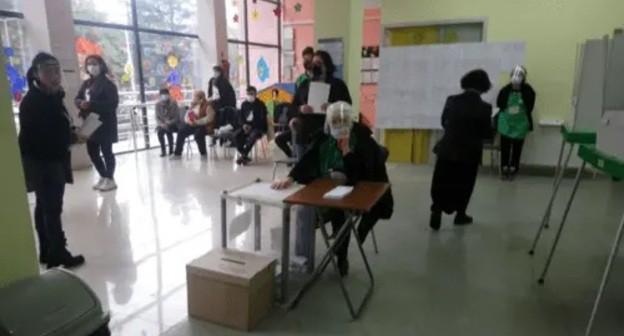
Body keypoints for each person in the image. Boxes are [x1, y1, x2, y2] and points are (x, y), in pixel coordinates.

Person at [272, 102, 393, 277]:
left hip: (352, 191)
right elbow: (309, 159)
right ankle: (301, 258)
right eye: (334, 124)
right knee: (303, 213)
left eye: (343, 124)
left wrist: (347, 155)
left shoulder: (362, 140)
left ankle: (341, 257)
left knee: (341, 215)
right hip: (324, 190)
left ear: (350, 123)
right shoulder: (323, 137)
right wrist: (291, 177)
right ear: (328, 123)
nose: (339, 129)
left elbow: (366, 177)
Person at [19, 52, 85, 269]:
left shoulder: (52, 96)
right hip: (43, 161)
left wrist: (71, 133)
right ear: (37, 74)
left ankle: (47, 250)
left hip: (49, 159)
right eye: (48, 71)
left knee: (44, 206)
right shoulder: (34, 101)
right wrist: (73, 138)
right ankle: (58, 251)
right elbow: (44, 135)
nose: (55, 75)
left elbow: (59, 125)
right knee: (51, 207)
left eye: (57, 70)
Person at [430, 69, 493, 231]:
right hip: (470, 152)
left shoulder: (451, 100)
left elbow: (444, 122)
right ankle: (460, 214)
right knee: (465, 183)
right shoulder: (485, 107)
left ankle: (436, 210)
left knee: (441, 180)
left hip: (448, 147)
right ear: (484, 86)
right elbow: (487, 134)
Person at [291, 50, 352, 157]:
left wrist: (332, 107)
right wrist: (300, 109)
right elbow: (293, 106)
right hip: (306, 123)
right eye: (313, 64)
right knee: (301, 128)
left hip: (330, 123)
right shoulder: (304, 85)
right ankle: (301, 165)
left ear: (327, 65)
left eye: (319, 63)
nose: (315, 66)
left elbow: (347, 105)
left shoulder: (338, 84)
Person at [75, 55, 120, 192]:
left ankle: (110, 178)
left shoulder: (108, 83)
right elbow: (78, 97)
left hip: (105, 123)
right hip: (90, 122)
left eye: (94, 63)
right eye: (89, 64)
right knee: (92, 151)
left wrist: (91, 105)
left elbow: (112, 104)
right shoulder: (86, 83)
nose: (91, 66)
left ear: (101, 65)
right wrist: (79, 103)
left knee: (107, 152)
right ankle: (103, 175)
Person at [495, 65, 536, 180]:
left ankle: (513, 167)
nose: (517, 77)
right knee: (505, 146)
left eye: (520, 75)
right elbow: (500, 105)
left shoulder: (528, 91)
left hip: (520, 123)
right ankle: (504, 167)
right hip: (506, 123)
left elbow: (529, 106)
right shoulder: (505, 90)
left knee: (517, 147)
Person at [172, 90, 216, 158]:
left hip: (203, 126)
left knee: (198, 135)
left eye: (195, 97)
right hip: (192, 124)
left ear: (201, 98)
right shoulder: (193, 106)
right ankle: (177, 153)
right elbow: (187, 116)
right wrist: (189, 122)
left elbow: (210, 118)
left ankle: (203, 153)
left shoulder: (207, 105)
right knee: (181, 132)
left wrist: (197, 122)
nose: (193, 99)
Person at [234, 86, 268, 165]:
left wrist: (251, 127)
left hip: (258, 127)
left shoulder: (261, 104)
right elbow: (240, 117)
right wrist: (243, 125)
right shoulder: (244, 104)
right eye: (248, 94)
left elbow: (262, 120)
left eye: (252, 94)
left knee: (253, 135)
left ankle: (243, 155)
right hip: (246, 126)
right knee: (235, 135)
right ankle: (244, 156)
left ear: (256, 94)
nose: (250, 96)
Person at [155, 88, 181, 157]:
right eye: (163, 95)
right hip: (163, 124)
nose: (165, 97)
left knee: (168, 130)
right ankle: (163, 150)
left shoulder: (174, 103)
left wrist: (168, 123)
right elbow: (157, 117)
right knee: (159, 132)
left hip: (173, 123)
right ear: (160, 96)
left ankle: (171, 150)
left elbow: (177, 117)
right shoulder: (157, 104)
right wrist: (161, 124)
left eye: (166, 95)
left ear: (169, 95)